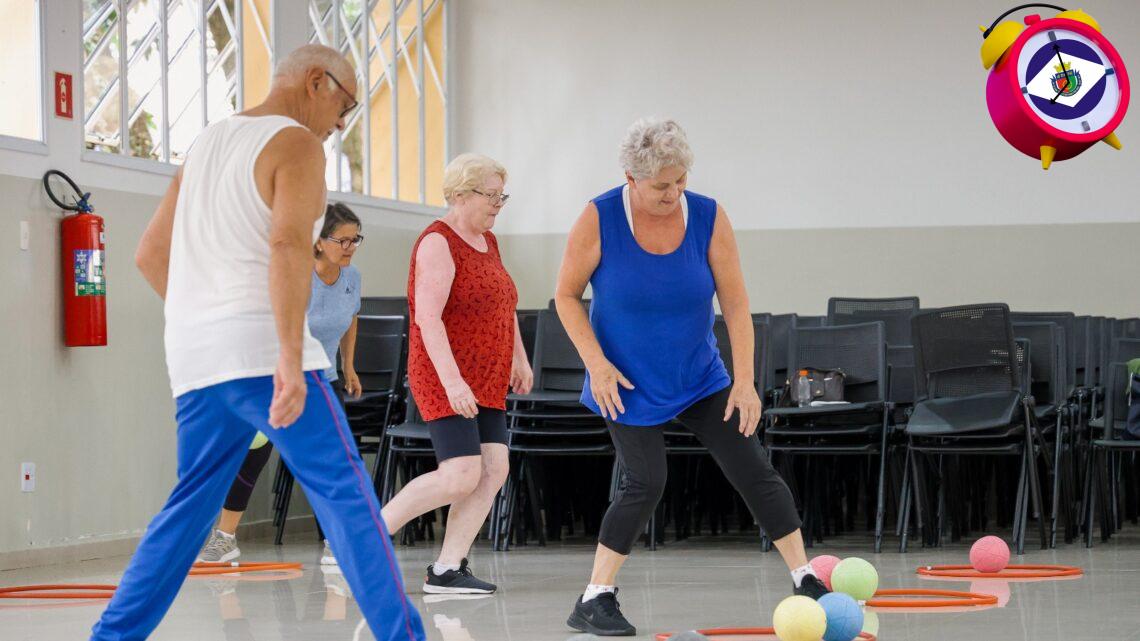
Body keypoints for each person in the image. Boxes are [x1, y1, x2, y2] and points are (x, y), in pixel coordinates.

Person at [90, 44, 424, 641]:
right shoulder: (297, 143)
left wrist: (208, 318)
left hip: (196, 359)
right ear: (317, 82)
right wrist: (290, 358)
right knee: (347, 499)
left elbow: (148, 254)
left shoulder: (207, 143)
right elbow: (288, 245)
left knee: (188, 509)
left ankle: (109, 638)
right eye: (345, 105)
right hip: (263, 353)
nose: (340, 122)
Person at [555, 118, 827, 636]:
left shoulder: (706, 215)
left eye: (680, 180)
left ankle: (805, 576)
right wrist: (596, 363)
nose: (673, 192)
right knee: (645, 481)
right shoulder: (600, 217)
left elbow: (737, 303)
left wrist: (744, 381)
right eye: (661, 185)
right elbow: (566, 296)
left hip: (699, 374)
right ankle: (595, 597)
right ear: (630, 177)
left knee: (752, 465)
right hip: (625, 380)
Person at [380, 153, 532, 594]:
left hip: (486, 377)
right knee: (461, 473)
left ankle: (448, 569)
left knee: (493, 468)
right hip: (446, 374)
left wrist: (519, 357)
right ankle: (365, 536)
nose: (498, 204)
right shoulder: (437, 242)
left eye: (502, 195)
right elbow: (427, 319)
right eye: (490, 195)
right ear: (460, 194)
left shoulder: (490, 241)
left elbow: (505, 305)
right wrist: (452, 383)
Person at [197, 202, 365, 566]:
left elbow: (351, 319)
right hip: (279, 377)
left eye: (356, 240)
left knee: (329, 461)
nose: (351, 247)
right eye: (344, 241)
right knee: (252, 456)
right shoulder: (295, 276)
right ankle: (225, 539)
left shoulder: (352, 279)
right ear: (319, 242)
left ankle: (336, 542)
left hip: (324, 379)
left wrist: (348, 366)